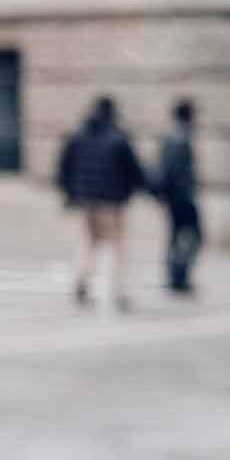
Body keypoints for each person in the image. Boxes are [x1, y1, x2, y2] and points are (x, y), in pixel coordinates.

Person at [56, 96, 146, 308]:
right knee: (116, 245)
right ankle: (118, 290)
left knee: (87, 241)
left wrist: (69, 193)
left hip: (85, 199)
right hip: (112, 202)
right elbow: (134, 170)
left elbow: (64, 167)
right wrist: (146, 189)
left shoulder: (77, 135)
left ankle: (82, 279)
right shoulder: (119, 138)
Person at [155, 99, 203, 294]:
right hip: (182, 196)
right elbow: (171, 170)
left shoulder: (173, 135)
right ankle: (178, 276)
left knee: (176, 236)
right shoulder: (181, 137)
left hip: (177, 196)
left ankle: (176, 275)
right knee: (194, 236)